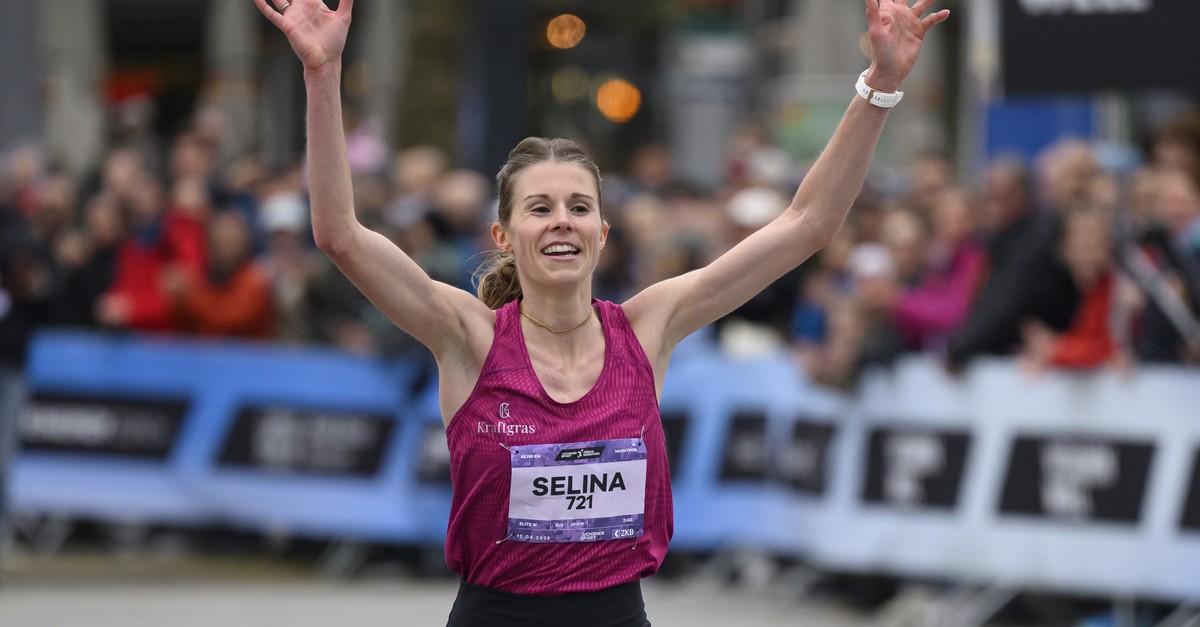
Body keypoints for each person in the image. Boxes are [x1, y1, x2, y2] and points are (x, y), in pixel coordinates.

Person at [252, 0, 949, 624]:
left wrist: (880, 85)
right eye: (540, 208)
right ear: (504, 236)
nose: (562, 222)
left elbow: (806, 225)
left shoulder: (649, 326)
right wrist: (322, 74)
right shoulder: (466, 335)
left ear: (603, 233)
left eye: (580, 207)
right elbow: (339, 234)